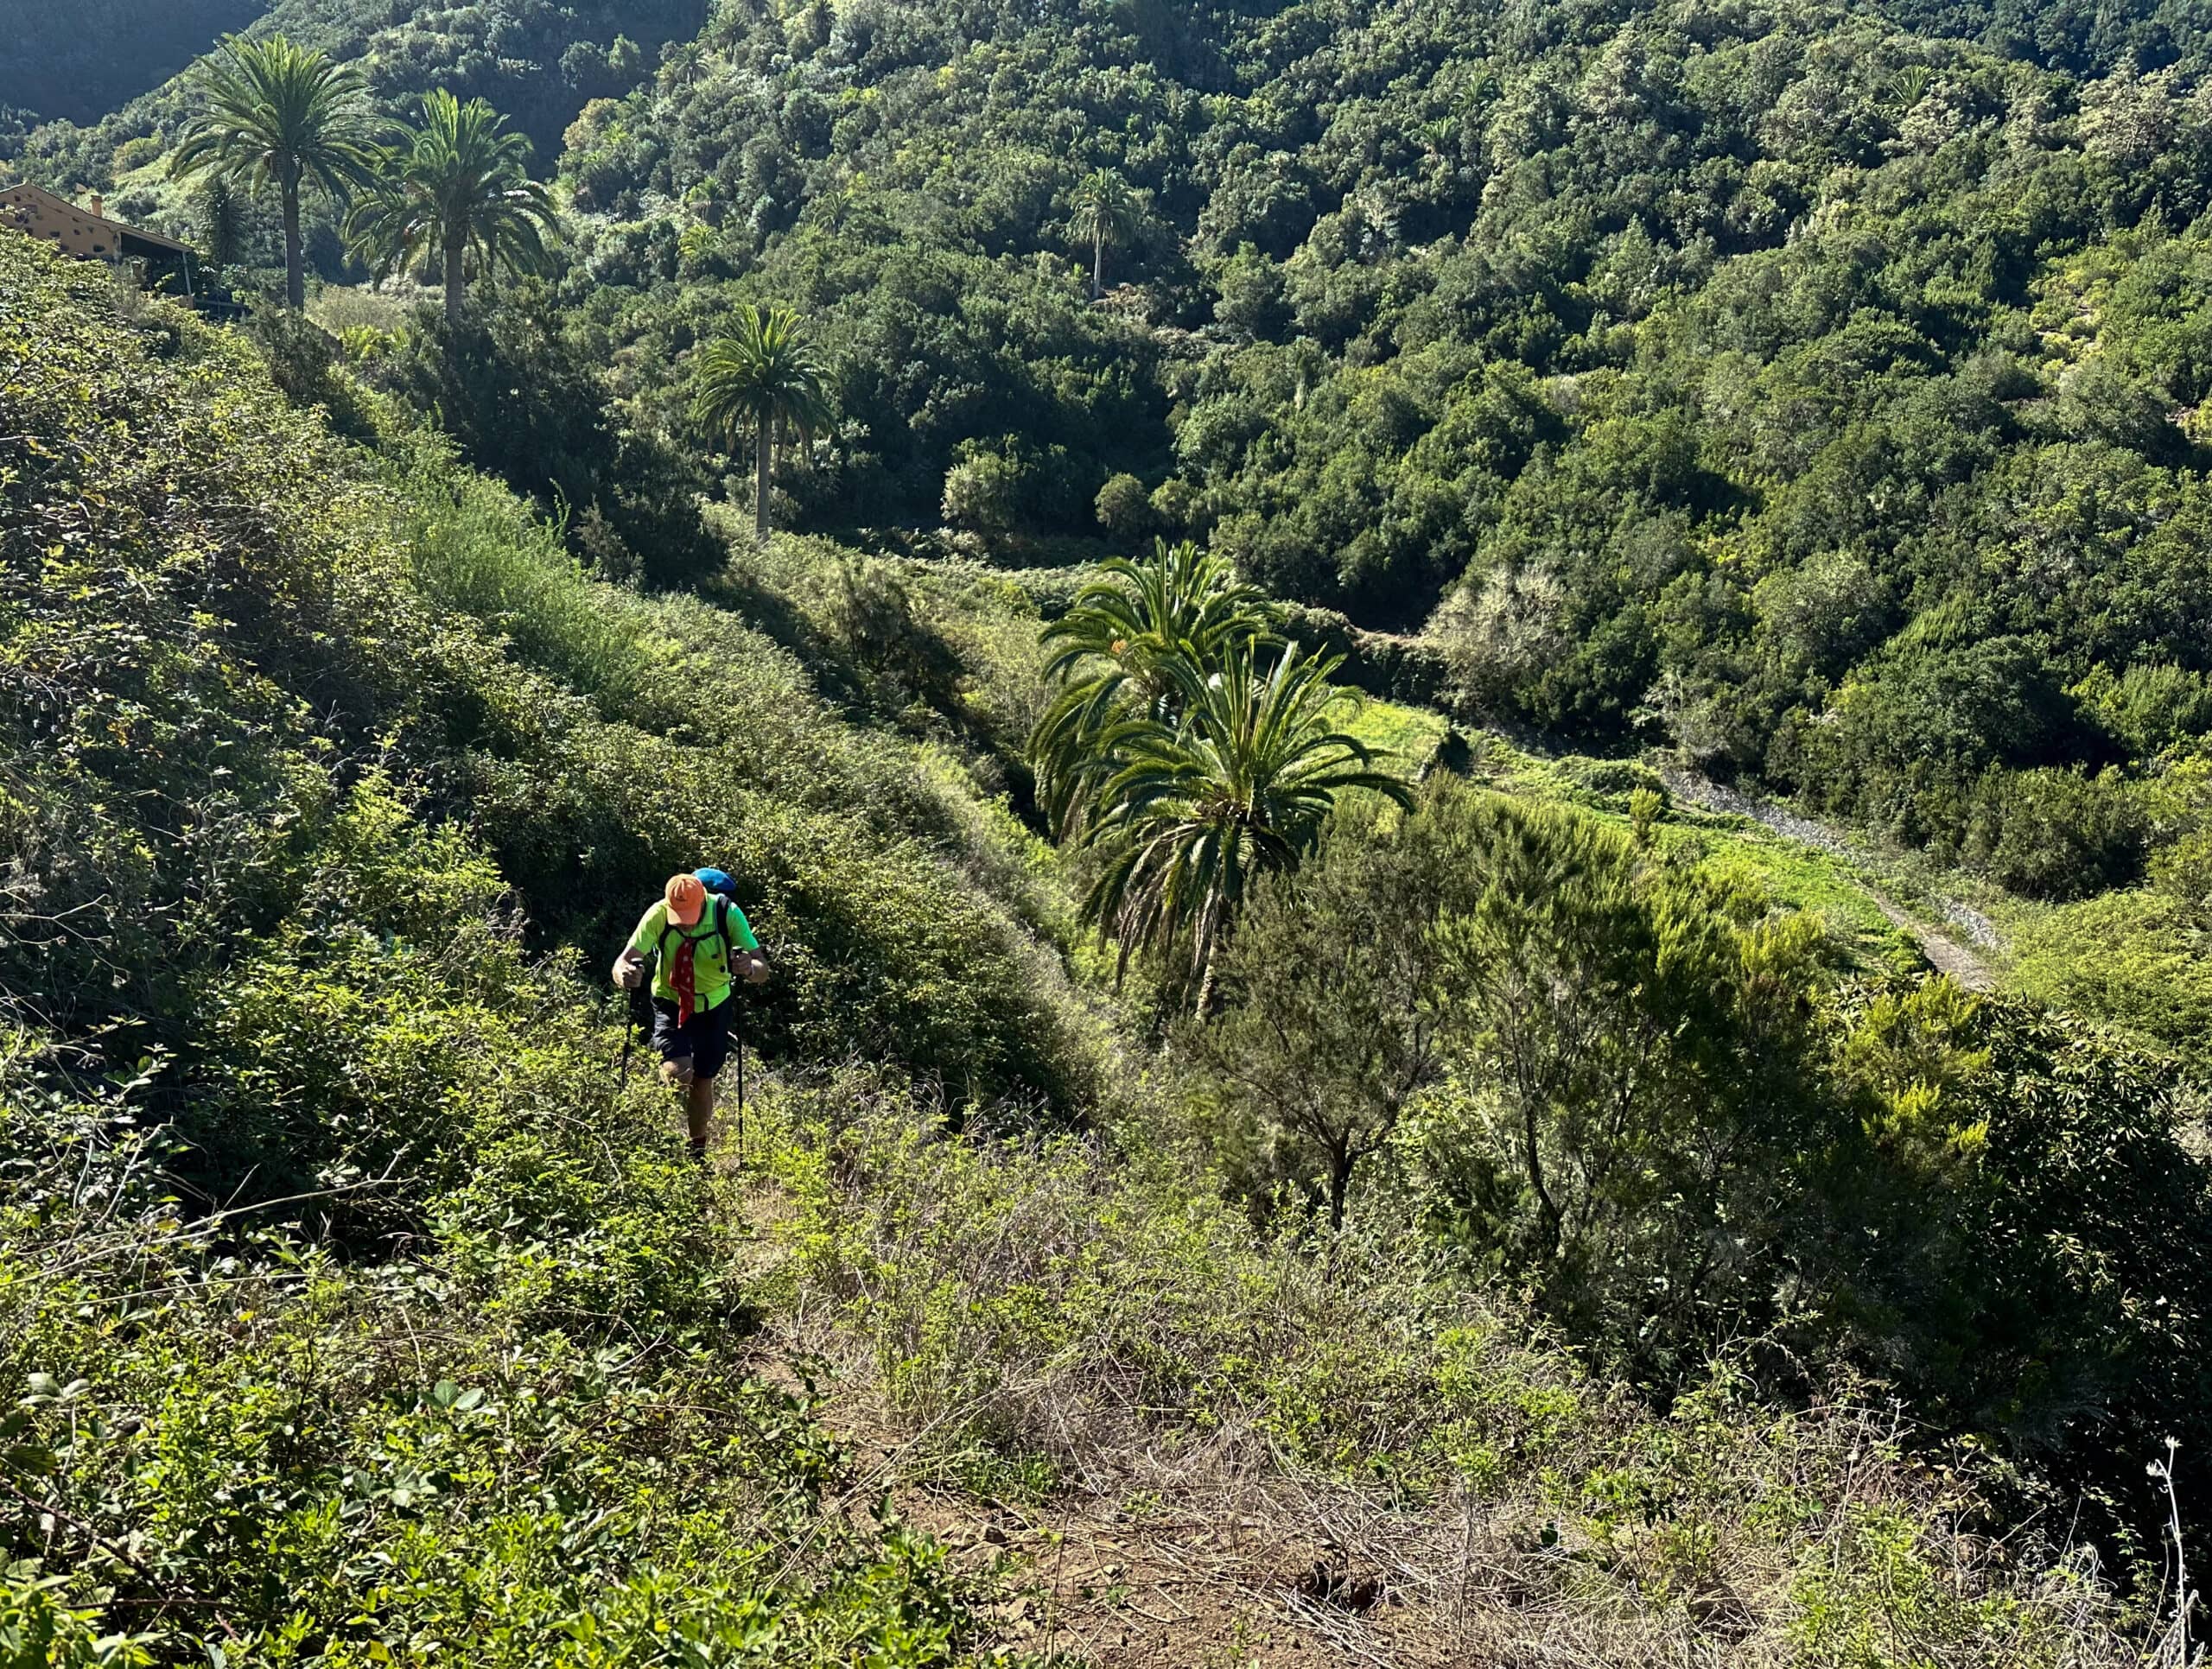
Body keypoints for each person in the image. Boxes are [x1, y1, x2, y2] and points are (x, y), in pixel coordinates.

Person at [613, 872, 769, 1162]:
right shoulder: (658, 914)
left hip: (714, 1006)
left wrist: (749, 967)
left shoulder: (727, 913)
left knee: (702, 1080)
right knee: (678, 1074)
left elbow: (762, 969)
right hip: (671, 1001)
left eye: (689, 914)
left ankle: (697, 1153)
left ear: (704, 901)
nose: (683, 921)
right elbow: (622, 961)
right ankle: (657, 1136)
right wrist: (624, 975)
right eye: (678, 914)